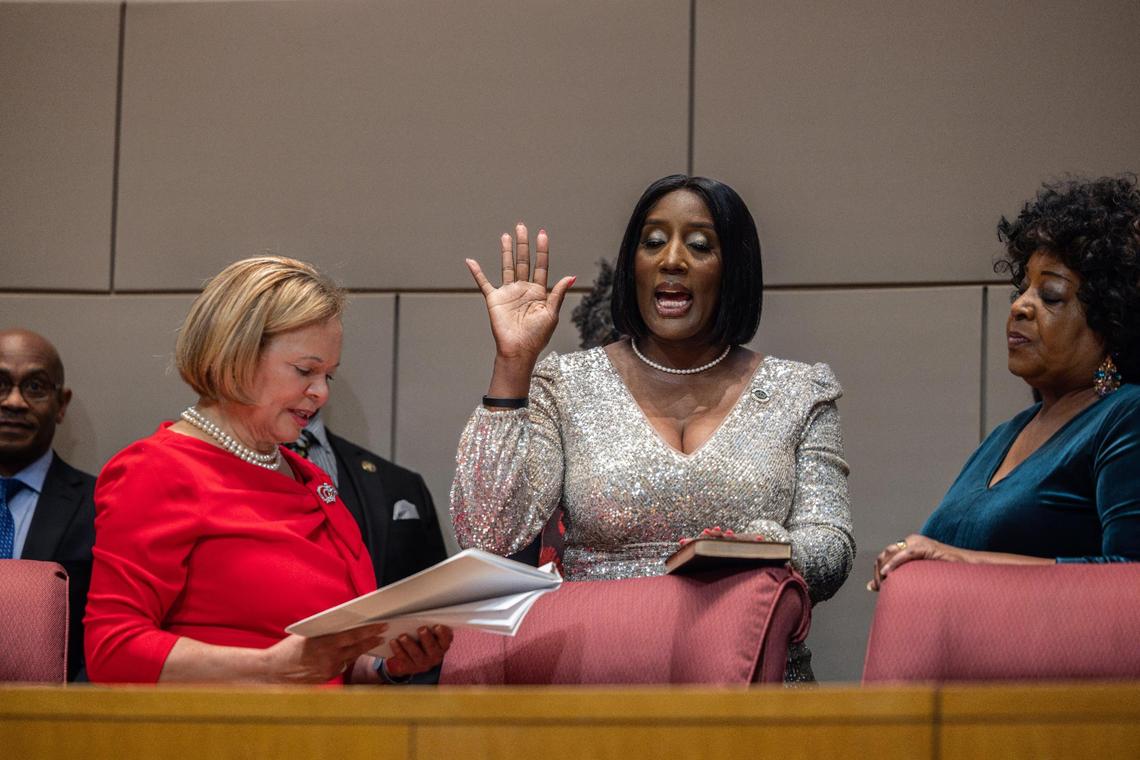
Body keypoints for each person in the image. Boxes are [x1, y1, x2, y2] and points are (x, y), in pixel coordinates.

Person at [451, 175, 855, 681]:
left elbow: (832, 549)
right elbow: (489, 532)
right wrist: (513, 363)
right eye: (654, 241)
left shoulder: (802, 390)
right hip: (602, 685)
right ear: (634, 266)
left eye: (701, 245)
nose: (672, 260)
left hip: (753, 685)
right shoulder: (566, 383)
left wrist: (766, 548)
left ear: (735, 269)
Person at [85, 256, 451, 684]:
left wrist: (386, 666)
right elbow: (113, 651)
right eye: (305, 371)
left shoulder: (306, 476)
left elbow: (322, 660)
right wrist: (269, 669)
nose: (320, 393)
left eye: (328, 375)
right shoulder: (157, 468)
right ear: (236, 354)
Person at [870, 175, 1140, 589]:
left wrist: (965, 560)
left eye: (1049, 296)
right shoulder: (1006, 435)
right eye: (1022, 288)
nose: (1019, 305)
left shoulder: (1125, 416)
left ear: (1111, 322)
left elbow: (1129, 576)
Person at [0, 328, 95, 681]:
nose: (14, 402)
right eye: (0, 384)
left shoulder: (99, 507)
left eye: (35, 386)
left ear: (61, 405)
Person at [289, 411, 448, 588]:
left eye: (326, 380)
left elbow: (437, 592)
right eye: (303, 380)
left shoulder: (402, 483)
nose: (320, 391)